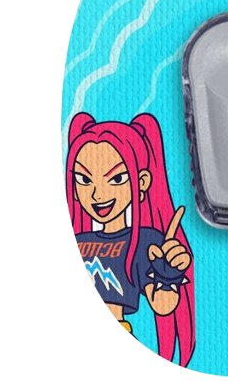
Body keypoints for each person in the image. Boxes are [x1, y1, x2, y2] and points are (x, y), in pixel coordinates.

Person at [66, 112, 195, 366]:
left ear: (142, 182)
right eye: (84, 179)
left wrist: (168, 273)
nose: (98, 194)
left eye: (116, 179)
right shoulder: (78, 239)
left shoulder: (145, 243)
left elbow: (162, 304)